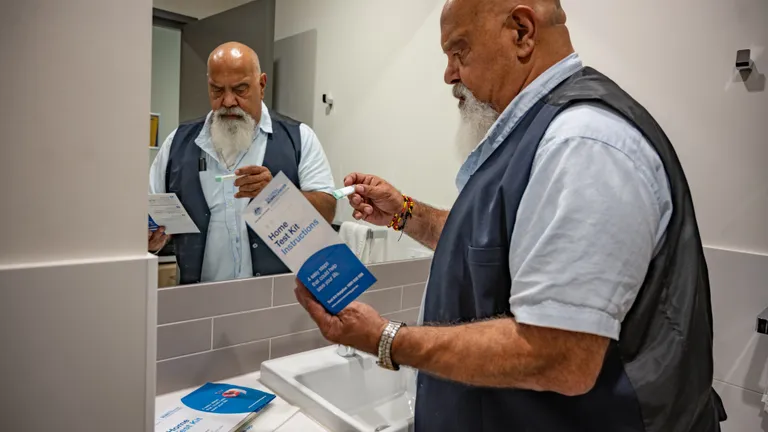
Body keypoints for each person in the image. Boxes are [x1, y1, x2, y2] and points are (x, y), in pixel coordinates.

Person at [294, 0, 727, 431]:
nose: (448, 74)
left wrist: (385, 339)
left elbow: (559, 354)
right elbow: (497, 248)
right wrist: (406, 214)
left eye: (458, 51)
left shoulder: (581, 143)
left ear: (521, 32)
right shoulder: (541, 135)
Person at [149, 42, 336, 284]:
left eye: (240, 89)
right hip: (199, 305)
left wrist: (277, 195)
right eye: (217, 90)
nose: (228, 101)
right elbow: (151, 214)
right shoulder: (177, 143)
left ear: (262, 85)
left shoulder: (300, 138)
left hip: (276, 301)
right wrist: (152, 241)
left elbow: (327, 211)